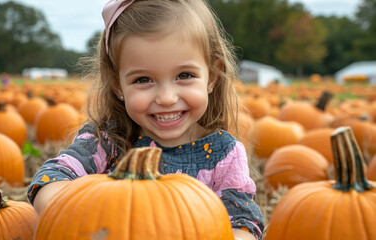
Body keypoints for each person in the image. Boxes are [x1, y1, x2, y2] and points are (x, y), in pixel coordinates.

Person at [27, 0, 264, 239]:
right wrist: (97, 215)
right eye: (143, 80)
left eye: (184, 75)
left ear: (211, 78)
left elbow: (245, 225)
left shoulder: (224, 154)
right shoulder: (106, 141)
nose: (166, 98)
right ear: (118, 86)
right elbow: (49, 182)